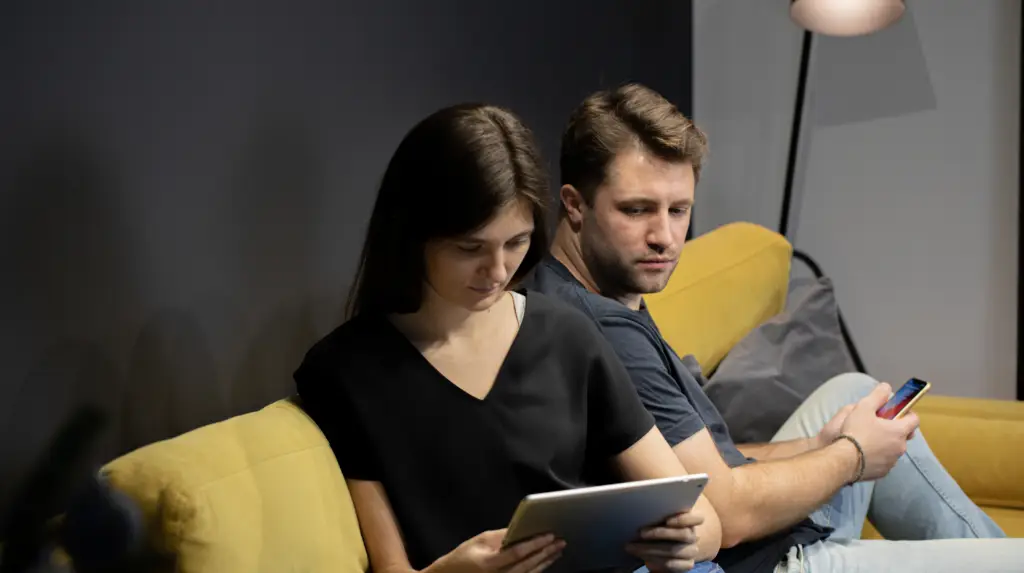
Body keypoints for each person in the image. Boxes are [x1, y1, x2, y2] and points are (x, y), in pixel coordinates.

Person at [526, 83, 1024, 573]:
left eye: (678, 210)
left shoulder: (602, 287)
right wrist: (852, 456)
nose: (664, 237)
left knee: (855, 393)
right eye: (636, 210)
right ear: (574, 204)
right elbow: (728, 513)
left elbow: (699, 462)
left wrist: (820, 444)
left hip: (759, 532)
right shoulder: (600, 330)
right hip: (766, 560)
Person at [294, 102, 725, 573]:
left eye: (516, 242)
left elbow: (704, 520)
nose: (498, 271)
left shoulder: (566, 335)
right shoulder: (347, 372)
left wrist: (682, 545)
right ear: (413, 234)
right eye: (470, 248)